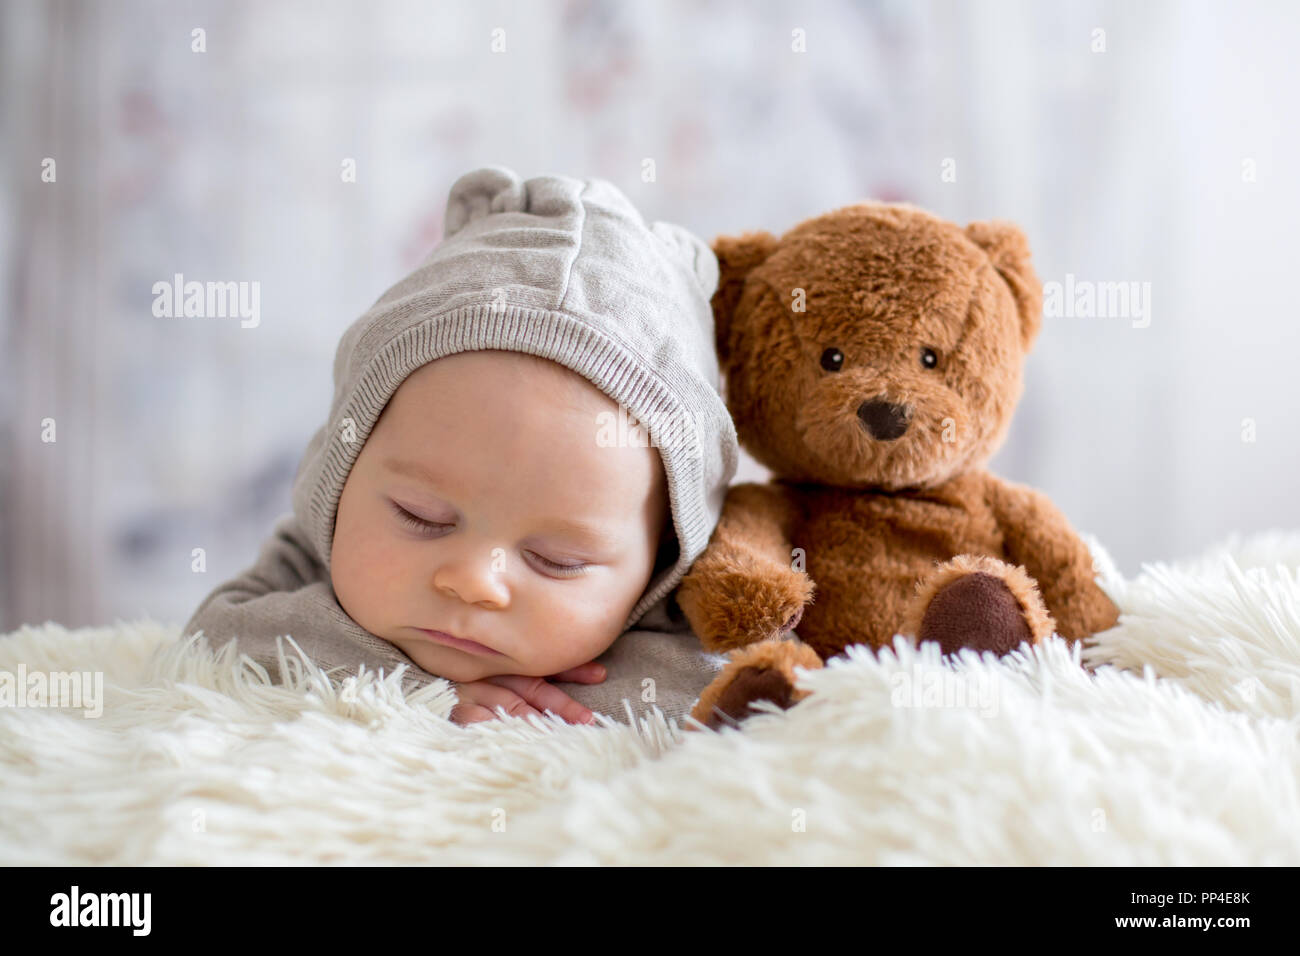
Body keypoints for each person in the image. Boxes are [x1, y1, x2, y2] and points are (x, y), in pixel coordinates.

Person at [182, 165, 738, 726]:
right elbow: (216, 639)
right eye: (420, 517)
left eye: (556, 561)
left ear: (663, 556)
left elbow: (729, 693)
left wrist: (563, 704)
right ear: (343, 469)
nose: (475, 582)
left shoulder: (696, 611)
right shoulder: (312, 547)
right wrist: (405, 684)